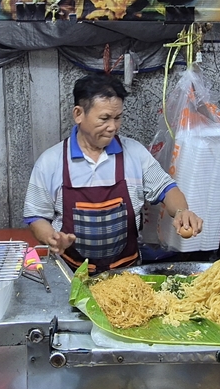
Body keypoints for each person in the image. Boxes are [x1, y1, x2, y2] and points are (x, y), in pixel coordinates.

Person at [24, 74, 203, 272]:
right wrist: (52, 237)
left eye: (117, 118)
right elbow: (36, 216)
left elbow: (167, 189)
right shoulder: (51, 162)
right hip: (70, 272)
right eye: (105, 118)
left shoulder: (134, 153)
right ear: (78, 114)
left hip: (126, 273)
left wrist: (181, 212)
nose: (113, 127)